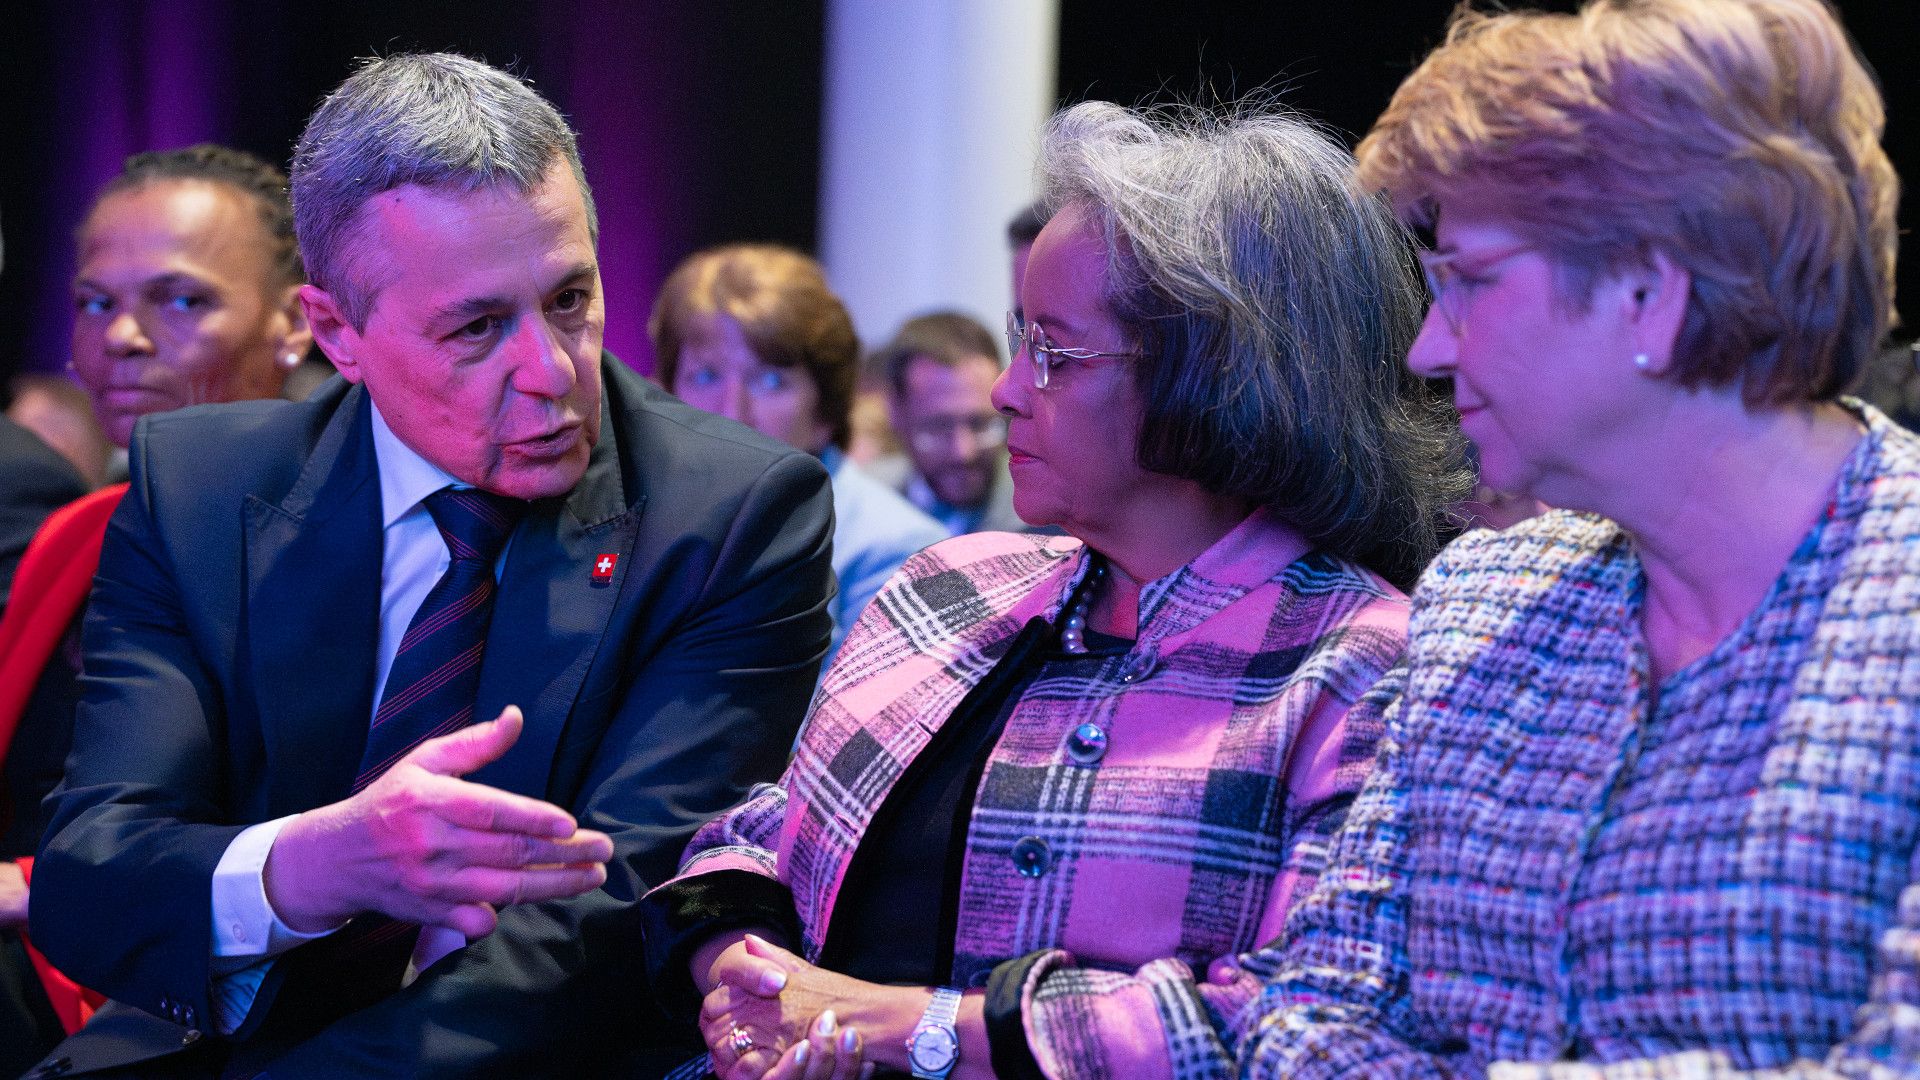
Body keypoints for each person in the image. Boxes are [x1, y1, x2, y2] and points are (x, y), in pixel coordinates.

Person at [27, 53, 832, 1079]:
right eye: (479, 327)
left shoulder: (729, 514)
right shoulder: (201, 492)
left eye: (571, 298)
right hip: (199, 1038)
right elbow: (92, 874)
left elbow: (609, 925)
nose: (552, 373)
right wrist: (315, 865)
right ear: (335, 332)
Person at [637, 100, 1463, 1080]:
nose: (1003, 392)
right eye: (1015, 334)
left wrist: (910, 1027)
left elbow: (1314, 1022)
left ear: (1222, 379)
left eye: (1053, 353)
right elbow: (760, 833)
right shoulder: (945, 585)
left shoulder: (1365, 669)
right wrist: (745, 981)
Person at [1241, 1, 1920, 1076]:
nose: (1425, 348)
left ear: (1650, 293)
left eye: (1465, 278)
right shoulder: (1481, 602)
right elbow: (1308, 1017)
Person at [0, 144, 328, 1069]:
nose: (123, 339)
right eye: (96, 303)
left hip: (211, 970)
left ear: (296, 323)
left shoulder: (351, 541)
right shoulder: (71, 535)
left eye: (180, 300)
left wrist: (36, 887)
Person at [651, 244, 944, 662]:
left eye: (770, 382)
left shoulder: (898, 550)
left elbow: (852, 727)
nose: (733, 412)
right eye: (706, 375)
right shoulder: (647, 526)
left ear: (826, 408)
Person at [872, 313, 1032, 537]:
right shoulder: (865, 506)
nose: (963, 452)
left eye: (980, 424)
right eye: (938, 427)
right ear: (895, 414)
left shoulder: (1037, 518)